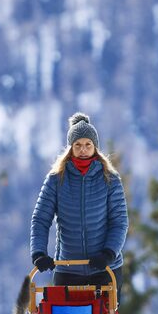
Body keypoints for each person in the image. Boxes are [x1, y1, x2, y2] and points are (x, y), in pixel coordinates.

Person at [30, 112, 128, 293]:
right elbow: (40, 219)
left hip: (105, 269)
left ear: (95, 147)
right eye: (78, 145)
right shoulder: (56, 179)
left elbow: (119, 221)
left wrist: (108, 254)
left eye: (87, 145)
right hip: (68, 270)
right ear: (70, 148)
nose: (83, 149)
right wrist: (39, 253)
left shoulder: (110, 179)